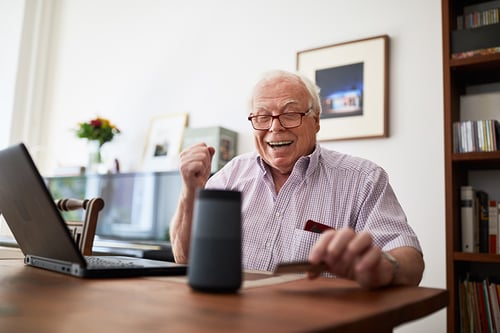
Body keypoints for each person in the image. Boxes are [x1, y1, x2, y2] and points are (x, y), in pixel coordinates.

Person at [170, 69, 424, 289]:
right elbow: (185, 259)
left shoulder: (364, 179)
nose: (274, 127)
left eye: (290, 114)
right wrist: (191, 189)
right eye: (262, 116)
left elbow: (411, 263)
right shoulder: (231, 175)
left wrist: (384, 267)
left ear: (315, 121)